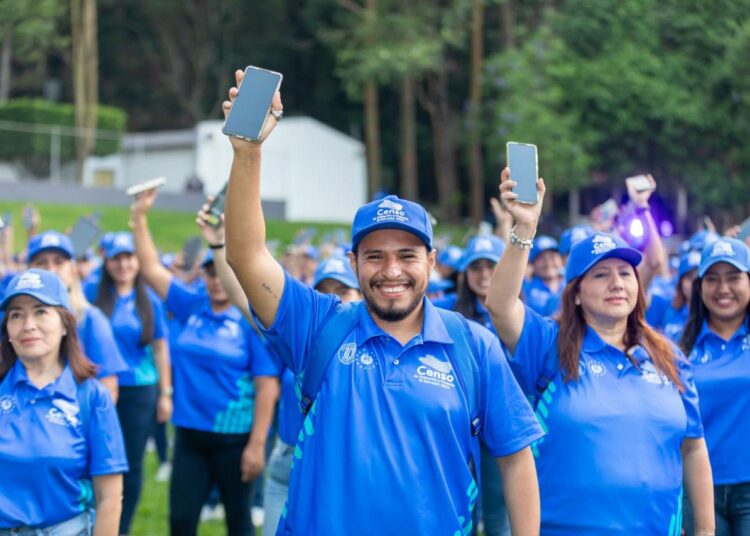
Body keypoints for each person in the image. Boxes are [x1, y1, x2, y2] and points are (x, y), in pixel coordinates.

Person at [221, 69, 543, 536]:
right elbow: (245, 256)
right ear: (353, 262)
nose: (392, 271)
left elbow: (516, 457)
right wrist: (248, 152)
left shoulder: (474, 347)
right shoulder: (318, 327)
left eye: (407, 255)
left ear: (431, 262)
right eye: (375, 256)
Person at [486, 167, 715, 534]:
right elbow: (499, 304)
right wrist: (524, 229)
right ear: (576, 292)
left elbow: (694, 448)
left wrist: (705, 530)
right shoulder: (549, 345)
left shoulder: (668, 356)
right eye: (600, 274)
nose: (617, 283)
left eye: (625, 273)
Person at [130, 189, 280, 536]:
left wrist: (257, 445)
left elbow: (267, 386)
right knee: (181, 522)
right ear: (204, 275)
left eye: (222, 273)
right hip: (190, 436)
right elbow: (151, 269)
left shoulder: (250, 319)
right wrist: (138, 218)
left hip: (235, 438)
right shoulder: (190, 304)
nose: (216, 281)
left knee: (238, 523)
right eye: (211, 273)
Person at [0, 269, 128, 535]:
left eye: (40, 311)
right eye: (16, 314)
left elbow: (109, 497)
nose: (28, 325)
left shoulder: (92, 397)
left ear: (65, 324)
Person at [87, 231, 173, 536]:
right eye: (116, 258)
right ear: (107, 262)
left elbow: (161, 347)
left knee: (130, 462)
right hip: (97, 389)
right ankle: (92, 519)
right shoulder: (90, 295)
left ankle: (120, 527)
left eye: (129, 257)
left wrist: (165, 392)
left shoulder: (149, 301)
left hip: (139, 390)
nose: (123, 264)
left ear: (138, 261)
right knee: (95, 456)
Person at [434, 234, 511, 536]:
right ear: (464, 273)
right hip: (457, 428)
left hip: (500, 427)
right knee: (457, 514)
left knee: (498, 519)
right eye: (476, 267)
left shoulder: (515, 314)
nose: (484, 275)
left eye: (491, 267)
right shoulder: (447, 311)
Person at [680, 237, 750, 534]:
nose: (723, 289)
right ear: (700, 287)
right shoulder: (679, 347)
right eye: (712, 279)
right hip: (699, 491)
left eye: (733, 278)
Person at [27, 230, 127, 402]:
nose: (50, 270)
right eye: (41, 262)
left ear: (73, 269)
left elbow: (108, 388)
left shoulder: (91, 319)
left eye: (59, 262)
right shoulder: (12, 319)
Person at [647, 249, 701, 341]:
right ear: (680, 282)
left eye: (698, 279)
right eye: (689, 278)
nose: (694, 284)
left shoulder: (714, 315)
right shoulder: (664, 307)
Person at [522, 235, 563, 317]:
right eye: (542, 258)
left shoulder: (571, 284)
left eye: (552, 257)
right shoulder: (524, 288)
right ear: (532, 263)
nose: (548, 263)